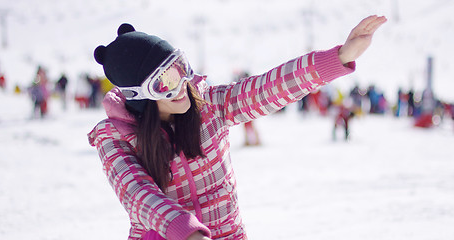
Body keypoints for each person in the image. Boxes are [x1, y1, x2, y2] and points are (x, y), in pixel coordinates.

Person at [88, 15, 386, 240]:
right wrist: (188, 232)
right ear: (139, 97)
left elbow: (269, 88)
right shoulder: (115, 139)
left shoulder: (210, 106)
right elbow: (138, 194)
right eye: (164, 82)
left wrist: (339, 58)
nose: (181, 86)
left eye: (180, 68)